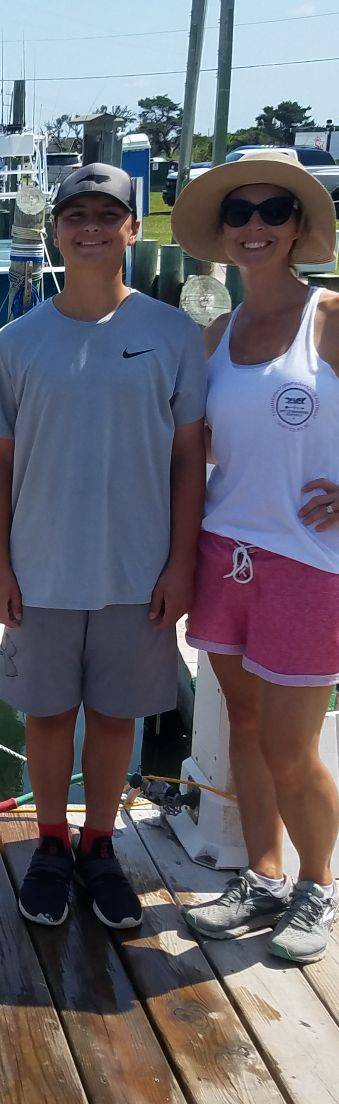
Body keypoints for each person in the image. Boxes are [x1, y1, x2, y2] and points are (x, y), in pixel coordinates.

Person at [0, 163, 207, 930]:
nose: (89, 228)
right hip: (38, 568)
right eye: (74, 214)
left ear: (131, 230)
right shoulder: (17, 341)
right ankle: (49, 842)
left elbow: (187, 459)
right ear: (55, 229)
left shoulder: (172, 333)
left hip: (135, 571)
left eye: (106, 215)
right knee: (45, 716)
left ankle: (100, 844)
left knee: (116, 717)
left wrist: (181, 564)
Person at [171, 151, 339, 963]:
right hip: (223, 554)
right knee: (241, 723)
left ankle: (318, 888)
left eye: (274, 211)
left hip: (309, 566)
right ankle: (263, 873)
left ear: (299, 229)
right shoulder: (213, 335)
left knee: (290, 749)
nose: (254, 226)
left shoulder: (330, 318)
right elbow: (188, 453)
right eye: (238, 212)